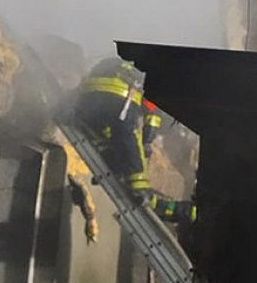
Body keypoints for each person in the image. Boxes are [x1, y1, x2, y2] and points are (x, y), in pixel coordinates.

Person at [73, 60, 194, 224]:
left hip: (87, 102)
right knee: (128, 136)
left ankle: (114, 165)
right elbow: (150, 120)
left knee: (112, 140)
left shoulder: (127, 64)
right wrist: (146, 144)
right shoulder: (160, 85)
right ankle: (141, 191)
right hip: (120, 97)